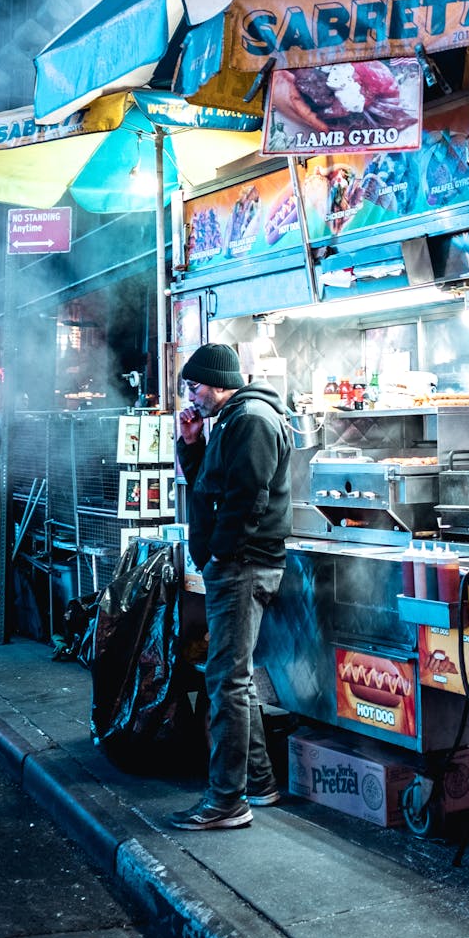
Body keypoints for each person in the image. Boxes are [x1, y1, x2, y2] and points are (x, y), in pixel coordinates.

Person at [170, 343, 292, 831]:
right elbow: (209, 488)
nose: (192, 396)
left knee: (225, 681)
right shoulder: (229, 420)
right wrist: (192, 444)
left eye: (195, 386)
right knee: (234, 680)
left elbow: (249, 497)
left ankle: (227, 801)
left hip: (242, 566)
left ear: (218, 382)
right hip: (234, 564)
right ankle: (259, 784)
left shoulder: (252, 419)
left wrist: (222, 552)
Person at [0, 391, 29, 479]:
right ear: (15, 400)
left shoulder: (29, 419)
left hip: (25, 469)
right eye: (23, 399)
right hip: (5, 468)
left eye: (27, 400)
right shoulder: (3, 418)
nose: (25, 402)